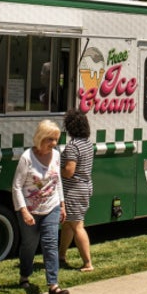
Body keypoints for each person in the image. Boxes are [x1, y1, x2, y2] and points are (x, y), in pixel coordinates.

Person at [12, 119, 69, 294]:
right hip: (30, 209)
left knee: (50, 244)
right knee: (29, 245)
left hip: (51, 206)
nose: (53, 144)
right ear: (40, 138)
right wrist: (24, 211)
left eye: (56, 139)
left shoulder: (56, 154)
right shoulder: (27, 158)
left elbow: (57, 180)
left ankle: (53, 285)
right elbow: (16, 187)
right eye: (50, 139)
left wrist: (62, 203)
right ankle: (24, 275)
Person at [59, 109, 95, 272]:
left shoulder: (73, 146)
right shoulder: (87, 143)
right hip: (85, 187)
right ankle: (61, 256)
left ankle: (88, 263)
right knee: (68, 225)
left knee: (77, 226)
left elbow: (69, 171)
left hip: (73, 190)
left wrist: (55, 171)